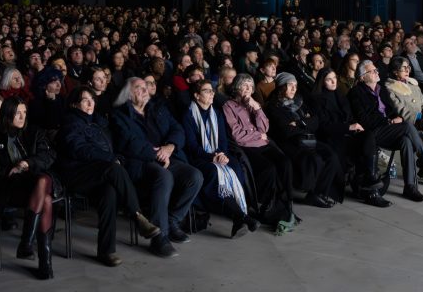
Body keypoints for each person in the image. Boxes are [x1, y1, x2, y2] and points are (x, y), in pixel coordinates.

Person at [58, 88, 161, 266]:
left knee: (109, 192)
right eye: (85, 100)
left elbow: (109, 149)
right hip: (75, 174)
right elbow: (80, 149)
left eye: (92, 99)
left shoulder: (96, 123)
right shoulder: (71, 123)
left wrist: (116, 157)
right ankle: (137, 216)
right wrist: (111, 159)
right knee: (114, 170)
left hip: (97, 173)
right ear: (75, 104)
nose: (90, 103)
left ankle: (106, 251)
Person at [111, 77, 202, 256]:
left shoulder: (158, 108)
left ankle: (171, 220)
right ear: (128, 94)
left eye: (146, 87)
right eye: (139, 88)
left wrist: (170, 147)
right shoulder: (119, 115)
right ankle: (159, 237)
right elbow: (129, 143)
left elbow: (178, 130)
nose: (145, 91)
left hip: (167, 156)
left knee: (195, 176)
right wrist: (157, 155)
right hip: (139, 162)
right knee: (164, 176)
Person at [348, 60, 423, 203]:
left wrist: (397, 118)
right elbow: (364, 119)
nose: (377, 72)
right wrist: (389, 122)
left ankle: (410, 187)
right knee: (408, 127)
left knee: (406, 140)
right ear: (362, 77)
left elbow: (391, 111)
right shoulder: (356, 92)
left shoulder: (381, 89)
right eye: (372, 71)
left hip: (388, 130)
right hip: (372, 133)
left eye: (376, 69)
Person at [0, 98, 58, 279]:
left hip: (34, 187)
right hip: (9, 190)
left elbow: (49, 156)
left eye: (25, 112)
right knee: (45, 197)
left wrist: (27, 163)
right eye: (18, 113)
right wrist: (10, 170)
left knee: (43, 183)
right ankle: (40, 259)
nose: (22, 117)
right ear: (7, 114)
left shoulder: (34, 132)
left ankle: (28, 245)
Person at [180, 78, 257, 237]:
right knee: (214, 173)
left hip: (219, 155)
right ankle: (241, 217)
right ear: (196, 95)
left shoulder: (216, 113)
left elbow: (223, 141)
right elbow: (192, 146)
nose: (212, 93)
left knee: (235, 167)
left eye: (212, 90)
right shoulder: (188, 115)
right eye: (207, 91)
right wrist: (212, 157)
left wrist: (222, 155)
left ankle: (239, 218)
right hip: (199, 158)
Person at [223, 73, 297, 231]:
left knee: (285, 163)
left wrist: (257, 108)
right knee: (268, 168)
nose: (249, 90)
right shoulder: (228, 106)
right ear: (237, 88)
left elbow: (265, 128)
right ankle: (267, 207)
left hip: (263, 143)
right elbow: (238, 136)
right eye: (245, 86)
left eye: (251, 86)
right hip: (247, 147)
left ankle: (286, 204)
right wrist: (258, 134)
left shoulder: (252, 104)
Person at [266, 73, 343, 207]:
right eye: (290, 85)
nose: (293, 89)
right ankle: (311, 191)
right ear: (281, 86)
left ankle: (318, 193)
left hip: (307, 139)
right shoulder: (273, 105)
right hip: (288, 142)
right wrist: (305, 123)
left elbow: (316, 121)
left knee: (332, 156)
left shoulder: (299, 101)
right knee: (315, 159)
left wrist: (299, 123)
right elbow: (285, 130)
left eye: (295, 86)